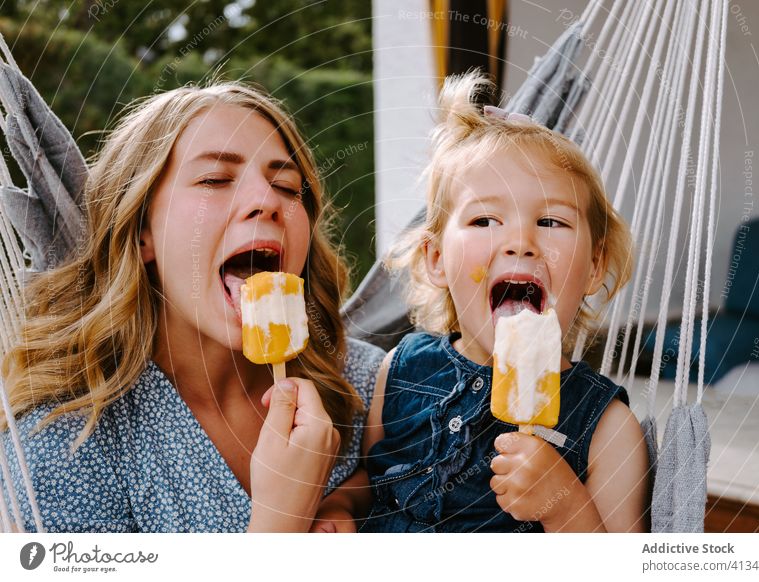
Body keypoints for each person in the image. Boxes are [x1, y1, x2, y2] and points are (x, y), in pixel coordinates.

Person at [0, 81, 383, 533]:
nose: (266, 201)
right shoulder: (66, 441)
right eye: (215, 180)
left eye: (286, 185)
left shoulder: (369, 385)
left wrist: (346, 502)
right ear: (142, 232)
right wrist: (280, 524)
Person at [360, 72, 650, 532]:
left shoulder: (609, 430)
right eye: (485, 219)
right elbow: (367, 483)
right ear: (435, 259)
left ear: (595, 266)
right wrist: (338, 507)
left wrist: (564, 506)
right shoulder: (400, 369)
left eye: (552, 221)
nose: (520, 242)